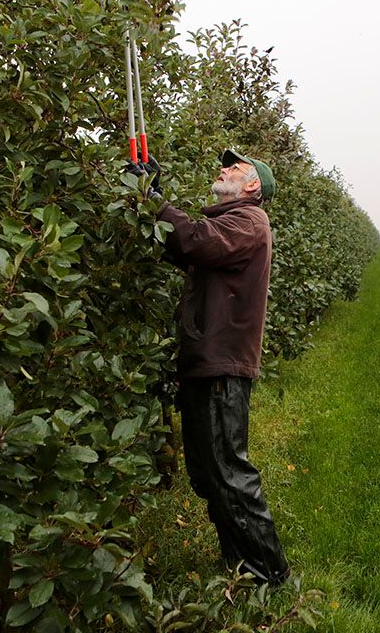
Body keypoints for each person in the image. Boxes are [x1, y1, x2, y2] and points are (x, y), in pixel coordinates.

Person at [128, 149, 289, 585]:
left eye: (234, 168)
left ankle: (271, 576)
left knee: (229, 472)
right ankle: (241, 564)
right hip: (206, 361)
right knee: (208, 474)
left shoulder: (250, 222)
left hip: (222, 365)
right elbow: (188, 249)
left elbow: (197, 239)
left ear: (253, 185)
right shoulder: (229, 224)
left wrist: (154, 199)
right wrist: (149, 201)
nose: (223, 170)